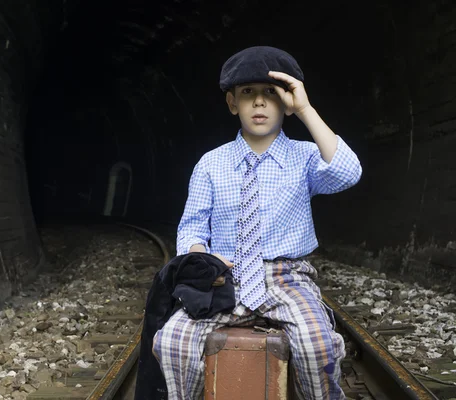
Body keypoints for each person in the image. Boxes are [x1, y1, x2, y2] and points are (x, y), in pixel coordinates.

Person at [152, 46, 362, 399]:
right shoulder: (210, 164)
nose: (260, 103)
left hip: (287, 277)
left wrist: (306, 110)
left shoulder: (305, 157)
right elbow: (191, 227)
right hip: (223, 280)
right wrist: (203, 259)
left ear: (285, 103)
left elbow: (347, 172)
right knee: (172, 341)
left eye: (271, 94)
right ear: (233, 103)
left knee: (317, 345)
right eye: (248, 93)